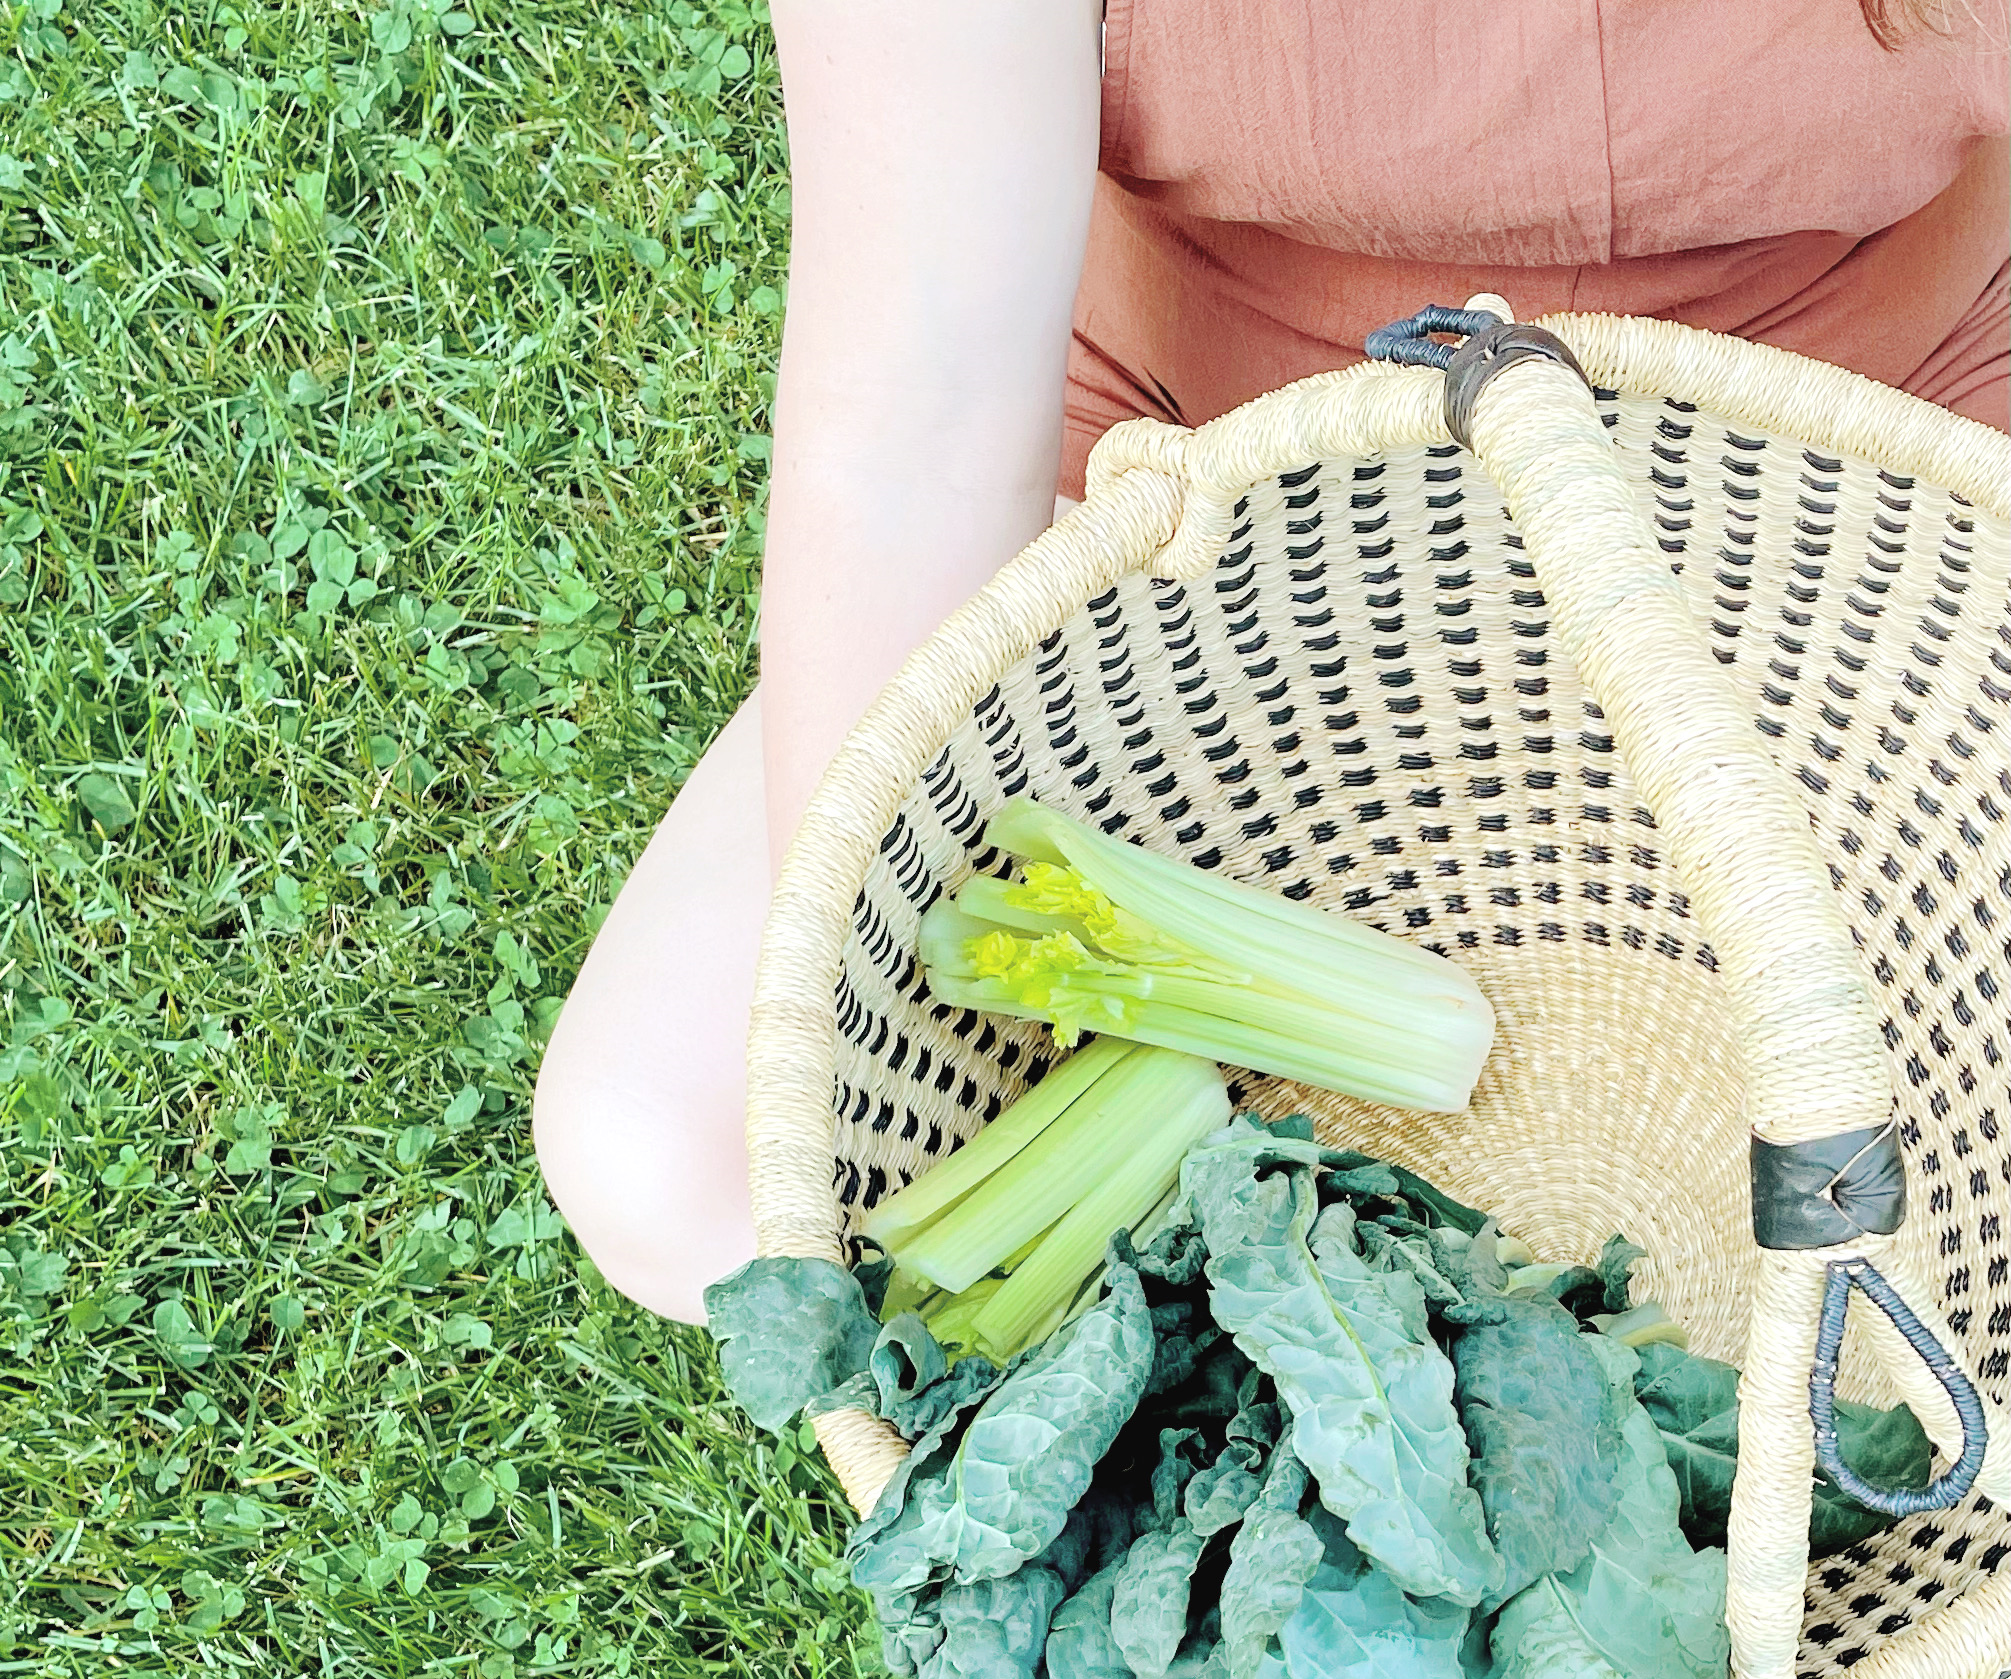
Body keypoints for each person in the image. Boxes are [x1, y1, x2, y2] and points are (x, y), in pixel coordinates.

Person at [532, 0, 2009, 1327]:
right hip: (1203, 470)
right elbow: (924, 396)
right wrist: (871, 982)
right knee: (687, 1154)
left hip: (1867, 444)